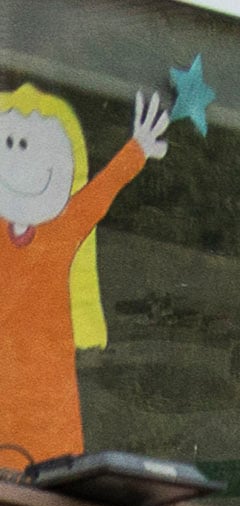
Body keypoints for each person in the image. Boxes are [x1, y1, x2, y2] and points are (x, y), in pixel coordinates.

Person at [0, 79, 172, 474]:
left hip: (47, 396)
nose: (18, 157)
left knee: (50, 481)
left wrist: (137, 150)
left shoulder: (58, 232)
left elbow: (96, 197)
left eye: (28, 146)